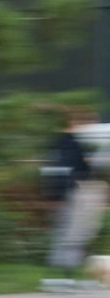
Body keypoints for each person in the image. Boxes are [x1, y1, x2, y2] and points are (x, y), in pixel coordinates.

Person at [42, 106, 103, 273]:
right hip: (70, 192)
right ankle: (65, 270)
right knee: (72, 232)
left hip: (59, 191)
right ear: (73, 122)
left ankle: (60, 269)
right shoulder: (71, 144)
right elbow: (79, 170)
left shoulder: (59, 143)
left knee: (65, 231)